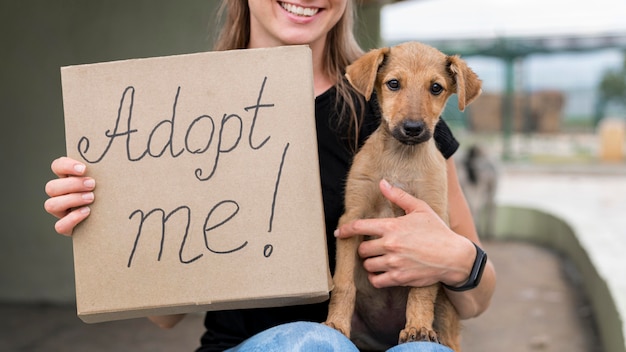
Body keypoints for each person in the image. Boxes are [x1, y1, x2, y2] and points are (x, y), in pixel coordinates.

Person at [44, 1, 496, 351]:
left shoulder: (398, 119)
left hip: (382, 334)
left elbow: (476, 302)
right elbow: (165, 317)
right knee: (319, 344)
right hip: (267, 344)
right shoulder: (189, 108)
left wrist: (455, 258)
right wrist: (105, 220)